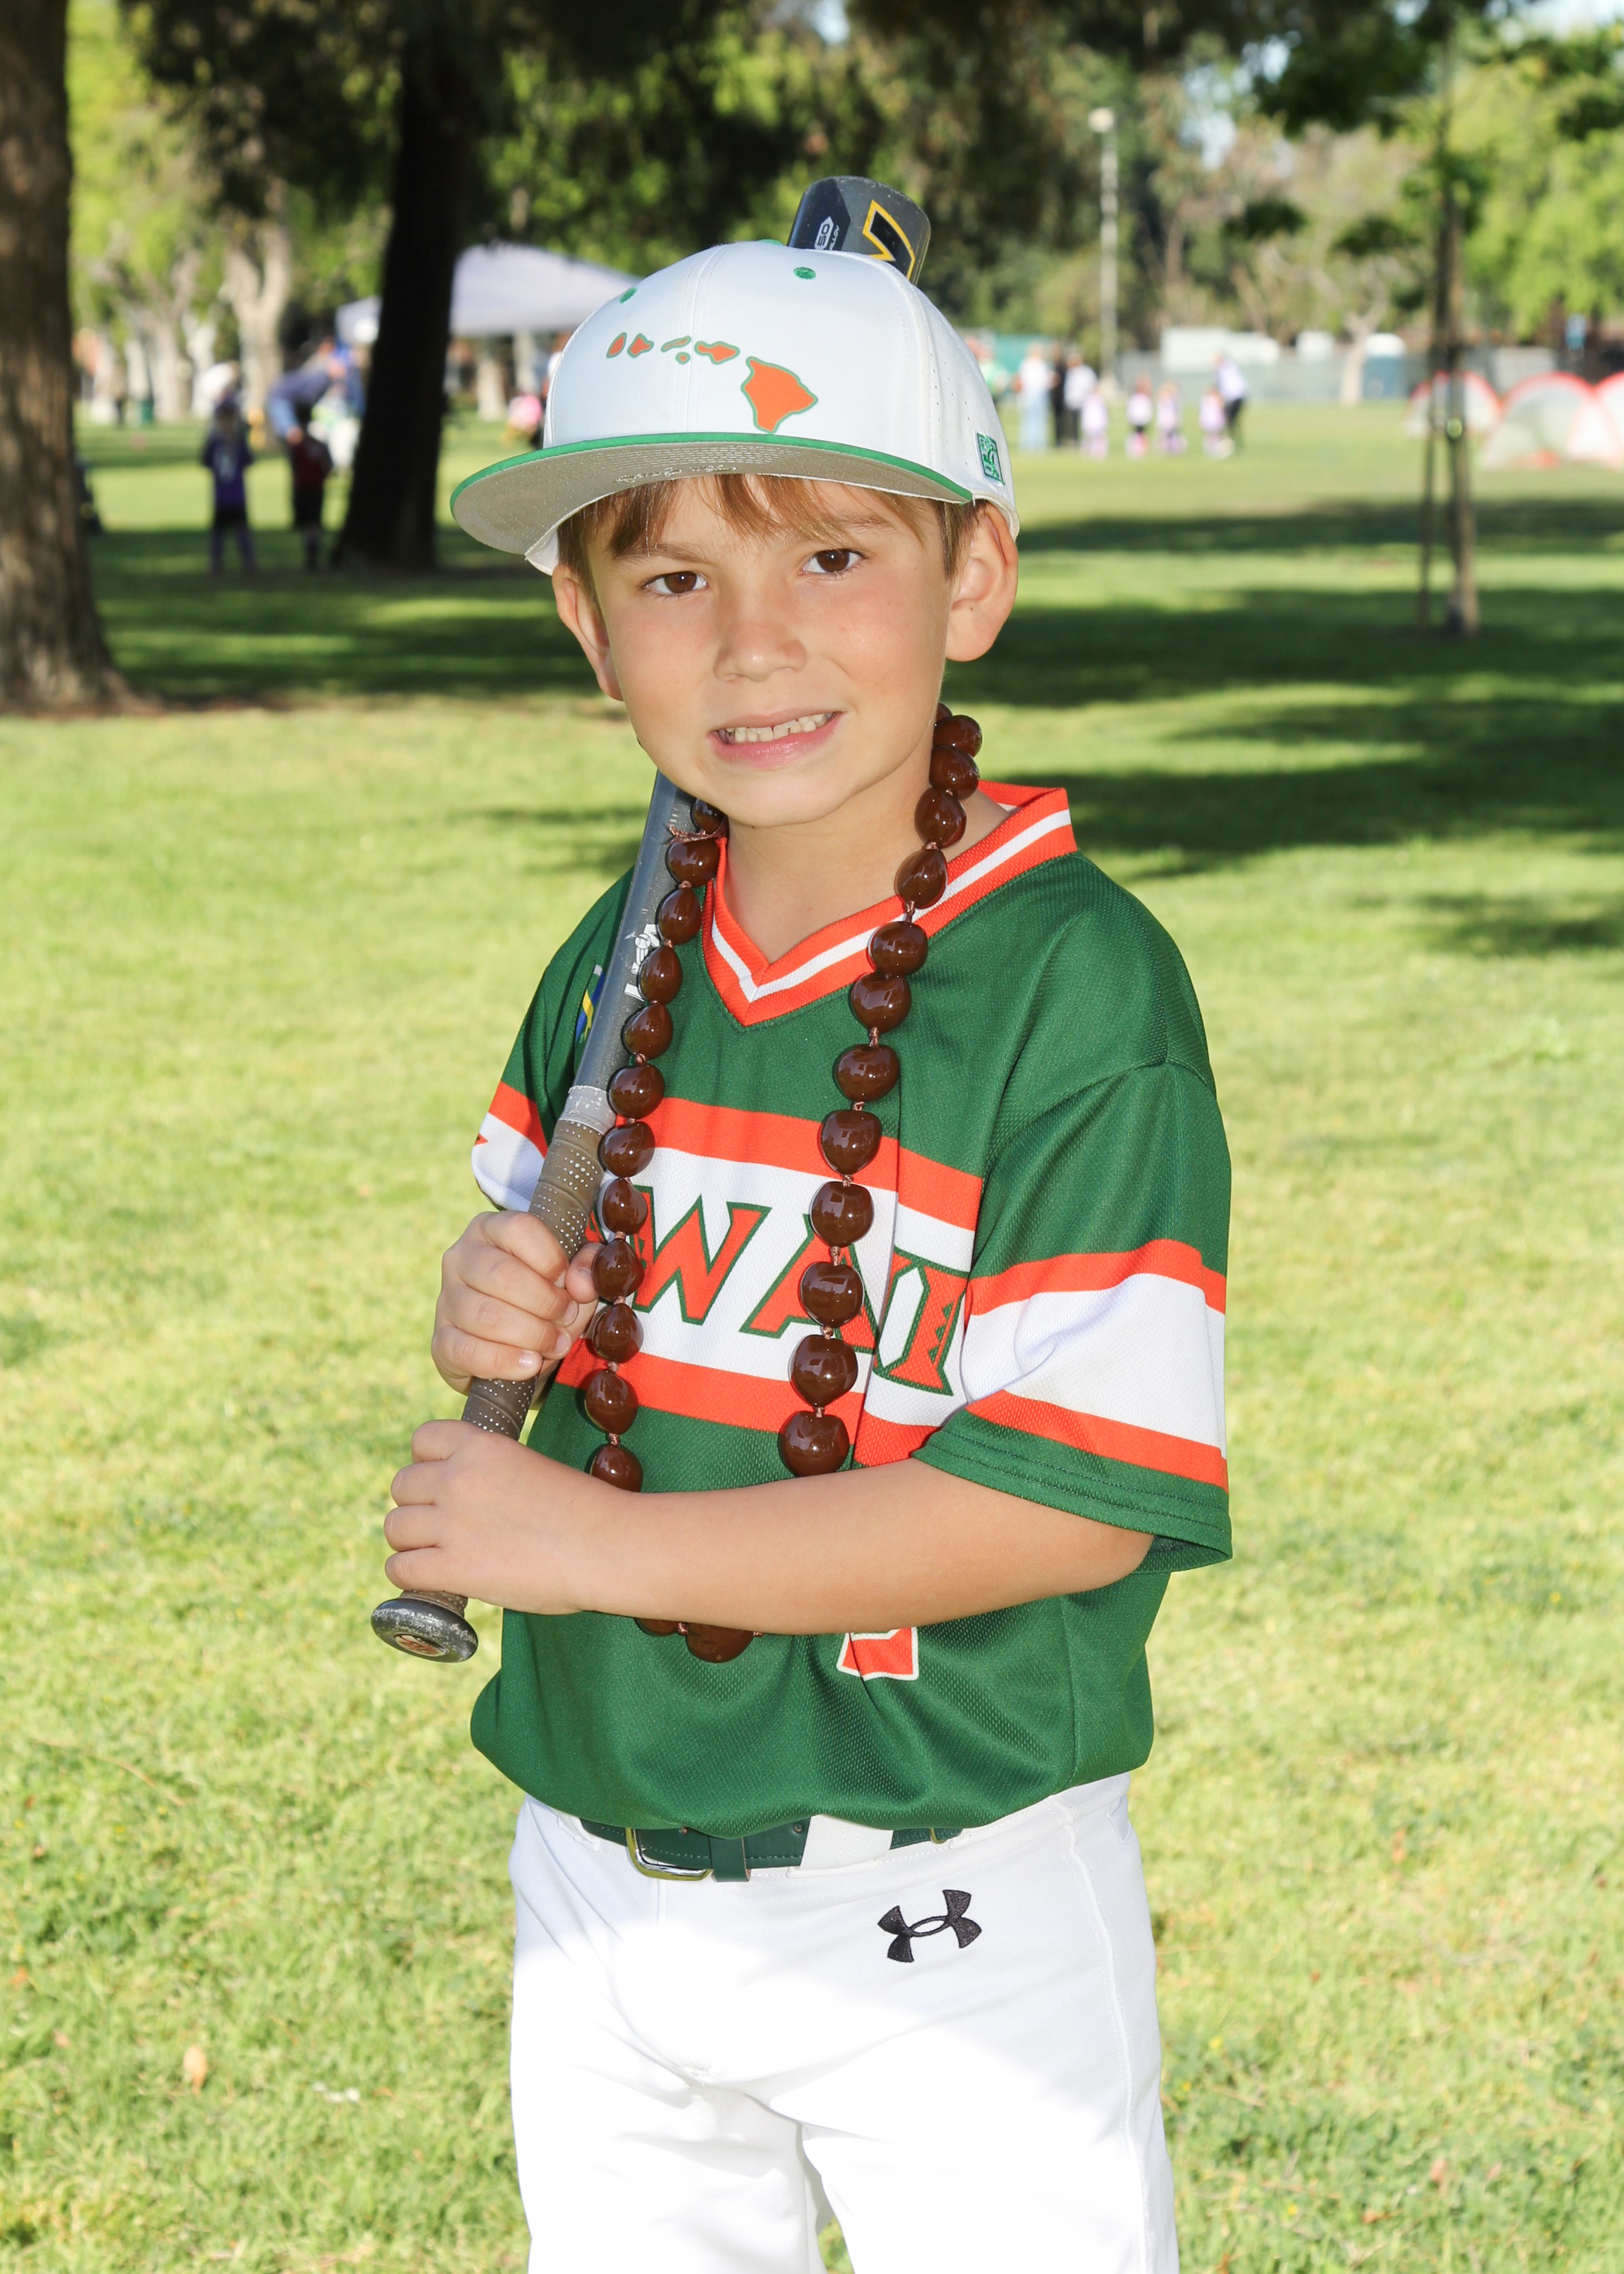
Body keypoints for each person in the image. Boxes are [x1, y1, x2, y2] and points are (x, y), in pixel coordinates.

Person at [387, 230, 1230, 2274]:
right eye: (674, 580)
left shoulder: (1076, 989)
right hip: (599, 1867)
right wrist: (491, 1297)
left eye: (832, 558)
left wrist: (587, 1548)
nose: (754, 644)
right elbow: (547, 1292)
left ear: (973, 577)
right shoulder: (618, 955)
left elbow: (1063, 1506)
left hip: (945, 1898)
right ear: (590, 628)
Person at [201, 396, 255, 576]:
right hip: (222, 497)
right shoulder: (216, 442)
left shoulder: (237, 441)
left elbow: (248, 460)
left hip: (236, 496)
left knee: (241, 533)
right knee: (219, 535)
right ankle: (216, 566)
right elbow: (206, 461)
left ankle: (248, 565)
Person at [284, 421, 333, 570]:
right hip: (311, 489)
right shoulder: (312, 446)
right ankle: (312, 557)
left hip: (309, 489)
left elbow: (294, 468)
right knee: (312, 525)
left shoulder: (301, 447)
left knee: (311, 525)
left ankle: (312, 557)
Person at [1015, 341, 1052, 452]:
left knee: (1040, 419)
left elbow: (1045, 381)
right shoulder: (1027, 364)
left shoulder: (1042, 364)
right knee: (1028, 419)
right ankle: (1028, 444)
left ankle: (1040, 444)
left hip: (1040, 393)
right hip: (1029, 394)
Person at [1215, 350, 1248, 449]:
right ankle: (1233, 440)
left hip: (1236, 396)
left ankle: (1231, 441)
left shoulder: (1226, 367)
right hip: (1235, 396)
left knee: (1230, 419)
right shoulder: (1224, 369)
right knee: (1231, 420)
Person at [1062, 352, 1096, 446]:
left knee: (1086, 423)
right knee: (1073, 423)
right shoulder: (1071, 372)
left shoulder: (1086, 372)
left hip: (1084, 401)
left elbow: (1090, 385)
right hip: (1073, 402)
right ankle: (1074, 440)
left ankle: (1087, 440)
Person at [1199, 383, 1230, 457]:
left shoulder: (1215, 399)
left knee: (1214, 435)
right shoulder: (1208, 399)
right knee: (1213, 435)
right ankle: (1212, 449)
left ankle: (1214, 448)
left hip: (1214, 419)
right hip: (1212, 419)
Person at [1155, 379, 1186, 456]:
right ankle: (1165, 449)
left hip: (1172, 419)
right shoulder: (1163, 399)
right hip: (1165, 420)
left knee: (1173, 435)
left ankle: (1175, 449)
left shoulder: (1175, 400)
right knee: (1165, 435)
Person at [1125, 378, 1154, 458]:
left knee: (1143, 435)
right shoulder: (1134, 398)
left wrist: (1147, 418)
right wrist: (1130, 418)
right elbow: (1131, 409)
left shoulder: (1145, 398)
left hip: (1143, 419)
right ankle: (1136, 450)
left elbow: (1148, 409)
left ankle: (1144, 451)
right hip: (1136, 419)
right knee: (1136, 434)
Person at [1082, 381, 1111, 457]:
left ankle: (1100, 451)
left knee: (1100, 437)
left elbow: (1103, 412)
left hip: (1098, 421)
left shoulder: (1100, 399)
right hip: (1090, 421)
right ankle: (1087, 452)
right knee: (1088, 437)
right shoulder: (1088, 399)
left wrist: (1104, 422)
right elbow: (1086, 412)